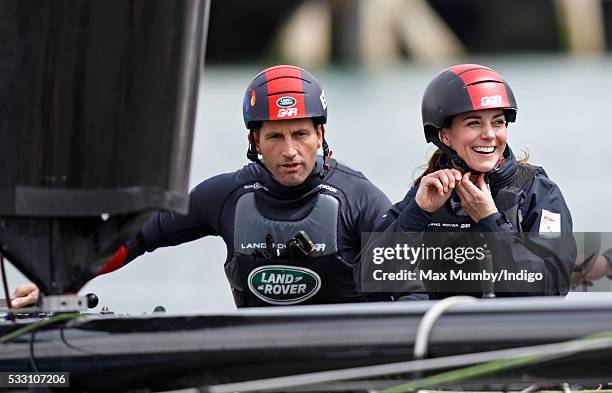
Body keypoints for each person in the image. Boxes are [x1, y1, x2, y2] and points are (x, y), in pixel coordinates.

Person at [11, 65, 423, 308]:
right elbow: (135, 238)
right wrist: (61, 284)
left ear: (320, 134)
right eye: (275, 137)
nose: (290, 151)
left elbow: (410, 291)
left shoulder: (360, 198)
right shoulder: (225, 196)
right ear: (254, 142)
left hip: (344, 366)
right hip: (253, 361)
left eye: (300, 134)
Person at [375, 64, 576, 298]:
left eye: (498, 122)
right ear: (445, 135)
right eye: (474, 123)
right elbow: (370, 279)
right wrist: (417, 214)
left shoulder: (539, 193)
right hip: (442, 332)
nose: (489, 134)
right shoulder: (426, 192)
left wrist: (491, 221)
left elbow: (552, 287)